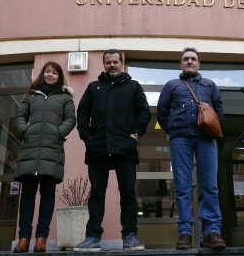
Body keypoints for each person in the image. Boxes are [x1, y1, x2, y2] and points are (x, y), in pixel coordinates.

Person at [74, 49, 151, 252]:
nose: (112, 65)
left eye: (115, 61)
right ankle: (92, 238)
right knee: (96, 194)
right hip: (97, 149)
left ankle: (130, 237)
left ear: (122, 63)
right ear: (104, 64)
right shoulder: (94, 87)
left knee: (128, 194)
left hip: (125, 149)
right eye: (108, 62)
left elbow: (144, 112)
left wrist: (135, 135)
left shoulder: (133, 87)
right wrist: (87, 138)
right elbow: (81, 113)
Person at [157, 47, 226, 250]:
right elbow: (162, 113)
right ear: (181, 63)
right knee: (182, 187)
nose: (189, 61)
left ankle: (212, 232)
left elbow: (219, 113)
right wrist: (174, 131)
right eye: (186, 59)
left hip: (206, 139)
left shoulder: (210, 85)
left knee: (210, 186)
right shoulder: (172, 85)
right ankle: (185, 233)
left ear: (199, 64)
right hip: (180, 140)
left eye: (193, 59)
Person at [13, 61, 76, 253]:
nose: (50, 75)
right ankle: (23, 239)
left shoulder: (65, 98)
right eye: (47, 71)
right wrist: (25, 131)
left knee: (47, 196)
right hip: (30, 150)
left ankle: (41, 238)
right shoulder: (31, 96)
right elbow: (20, 116)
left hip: (52, 150)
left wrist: (58, 132)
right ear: (42, 74)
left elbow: (70, 119)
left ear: (59, 76)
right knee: (27, 196)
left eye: (54, 72)